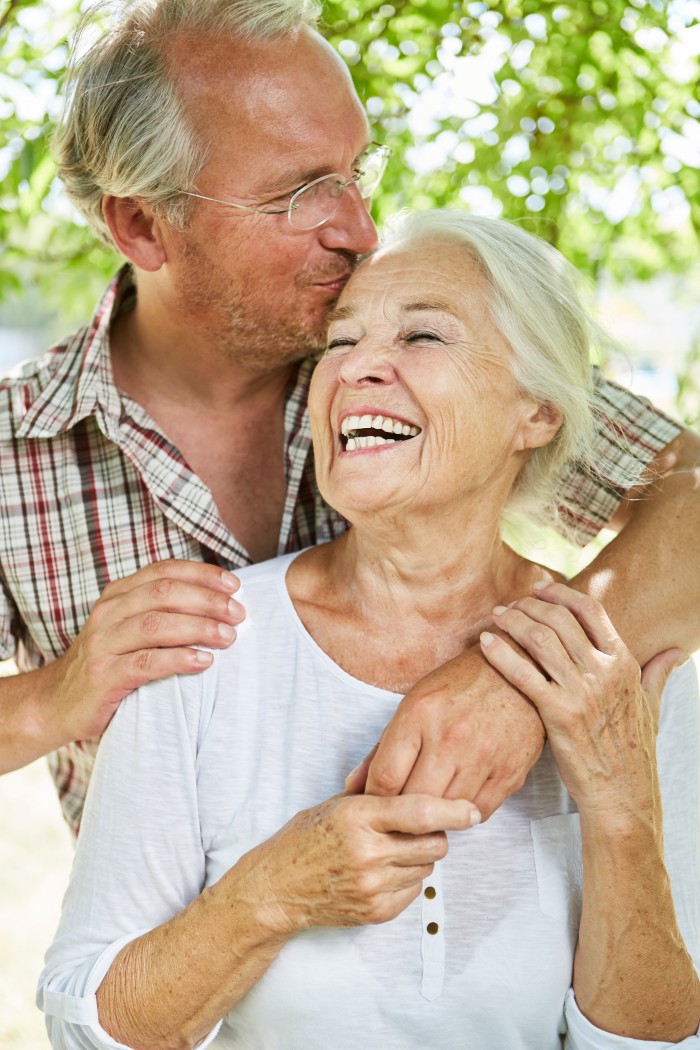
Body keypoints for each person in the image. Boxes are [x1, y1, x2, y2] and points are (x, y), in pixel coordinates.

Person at [1, 0, 699, 836]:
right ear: (142, 224)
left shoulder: (409, 362)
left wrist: (518, 678)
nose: (361, 231)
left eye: (355, 173)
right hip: (176, 959)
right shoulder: (15, 446)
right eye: (299, 193)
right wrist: (56, 694)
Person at [38, 211, 700, 1049]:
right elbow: (85, 1030)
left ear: (538, 411)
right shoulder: (198, 645)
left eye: (423, 335)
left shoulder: (627, 669)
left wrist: (620, 814)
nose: (359, 370)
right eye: (340, 343)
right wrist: (270, 895)